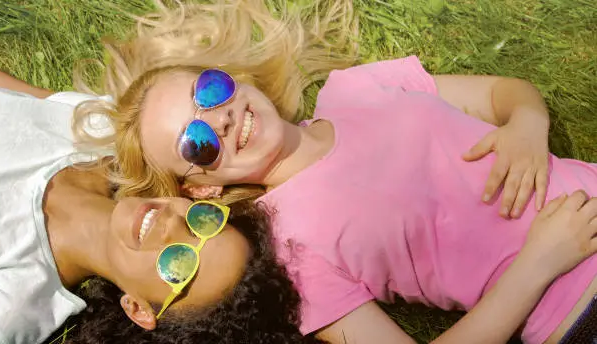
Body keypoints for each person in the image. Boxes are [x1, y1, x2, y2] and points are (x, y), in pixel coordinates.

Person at [72, 0, 597, 343]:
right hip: (574, 310)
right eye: (198, 142)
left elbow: (503, 93)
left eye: (208, 91)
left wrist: (527, 125)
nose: (220, 119)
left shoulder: (355, 90)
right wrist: (538, 263)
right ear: (202, 186)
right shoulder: (291, 253)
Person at [0, 64, 314, 344]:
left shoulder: (13, 301)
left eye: (179, 265)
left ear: (138, 308)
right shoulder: (100, 136)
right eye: (202, 222)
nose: (170, 225)